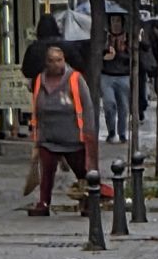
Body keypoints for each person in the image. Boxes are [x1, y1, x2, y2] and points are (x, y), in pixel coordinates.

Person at [28, 45, 96, 216]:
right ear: (46, 62)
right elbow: (36, 108)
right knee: (47, 172)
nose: (56, 64)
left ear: (64, 60)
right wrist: (36, 137)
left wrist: (88, 133)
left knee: (82, 171)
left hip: (73, 137)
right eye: (51, 61)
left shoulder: (74, 79)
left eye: (59, 60)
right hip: (48, 136)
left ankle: (88, 201)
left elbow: (87, 107)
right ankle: (43, 204)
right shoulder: (39, 81)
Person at [21, 14, 85, 83]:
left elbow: (26, 71)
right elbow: (79, 65)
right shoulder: (67, 46)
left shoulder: (33, 49)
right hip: (65, 85)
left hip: (41, 86)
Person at [101, 12, 130, 143]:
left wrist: (118, 55)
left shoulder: (128, 38)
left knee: (123, 107)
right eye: (113, 21)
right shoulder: (104, 38)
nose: (116, 24)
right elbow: (97, 54)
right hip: (107, 76)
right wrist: (105, 56)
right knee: (109, 104)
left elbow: (133, 56)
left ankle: (122, 133)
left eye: (118, 21)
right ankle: (111, 131)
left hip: (123, 76)